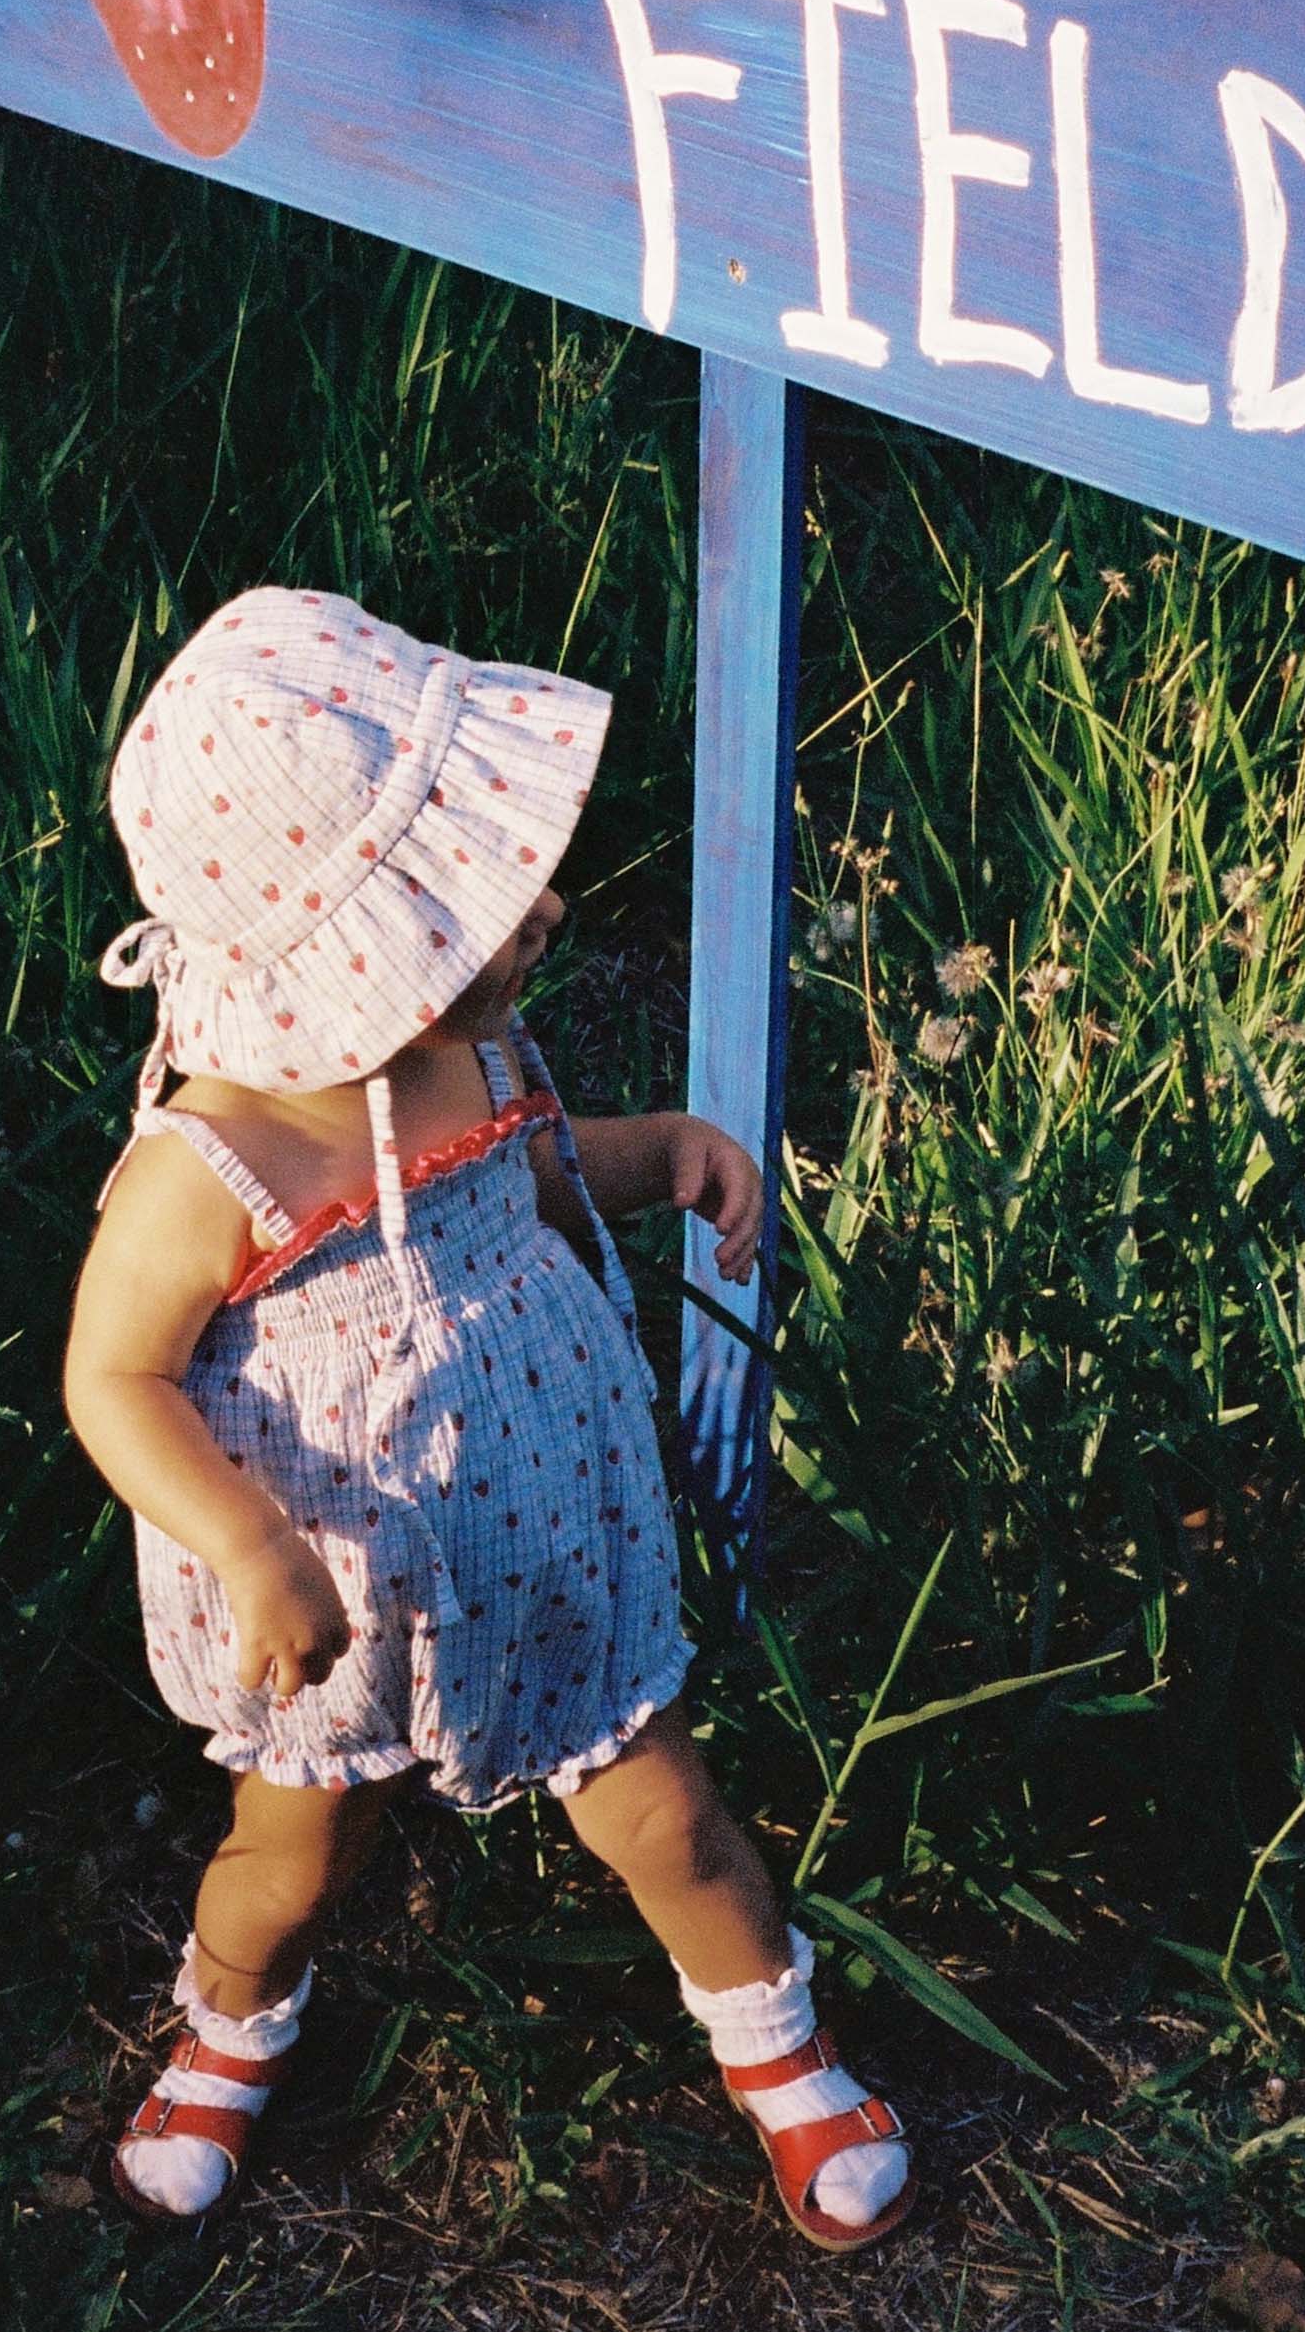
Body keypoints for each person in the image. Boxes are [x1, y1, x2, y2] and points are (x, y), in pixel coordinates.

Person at [64, 584, 914, 2251]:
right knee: (287, 1857)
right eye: (476, 919)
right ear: (337, 965)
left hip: (544, 1537)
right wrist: (248, 1543)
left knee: (663, 1809)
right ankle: (231, 2026)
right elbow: (112, 1376)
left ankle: (776, 2033)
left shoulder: (457, 1053)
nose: (534, 925)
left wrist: (649, 1147)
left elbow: (517, 1171)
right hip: (334, 1589)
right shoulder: (215, 1161)